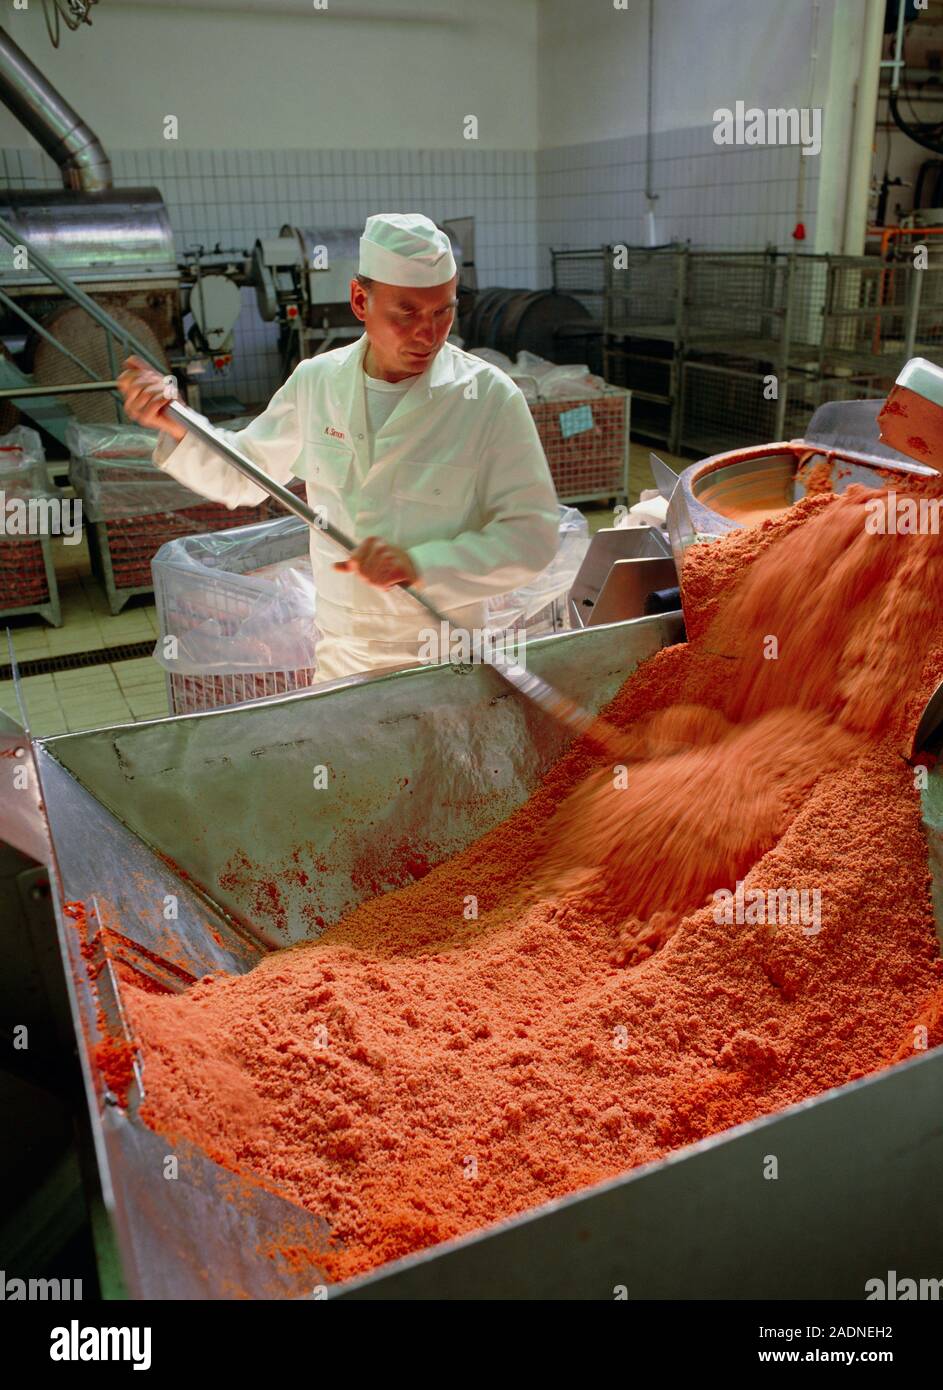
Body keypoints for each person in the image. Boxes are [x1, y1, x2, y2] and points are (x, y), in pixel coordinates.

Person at [118, 212, 560, 681]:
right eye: (406, 312)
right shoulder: (318, 381)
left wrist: (420, 565)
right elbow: (244, 476)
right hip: (341, 654)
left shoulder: (487, 397)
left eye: (443, 311)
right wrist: (180, 424)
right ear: (359, 300)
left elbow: (530, 536)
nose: (428, 334)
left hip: (445, 655)